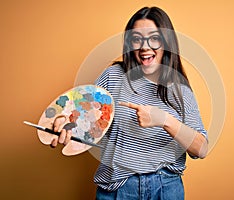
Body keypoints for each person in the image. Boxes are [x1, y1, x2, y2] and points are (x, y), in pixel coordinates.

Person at [51, 6, 208, 200]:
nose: (144, 47)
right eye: (136, 39)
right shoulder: (113, 77)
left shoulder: (179, 88)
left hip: (166, 188)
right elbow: (83, 118)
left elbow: (201, 148)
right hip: (118, 189)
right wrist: (64, 123)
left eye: (154, 38)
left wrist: (164, 119)